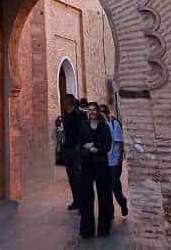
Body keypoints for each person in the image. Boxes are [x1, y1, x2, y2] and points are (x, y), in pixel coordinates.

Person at [77, 102, 114, 238]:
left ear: (97, 112)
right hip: (87, 165)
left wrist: (95, 147)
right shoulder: (83, 126)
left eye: (94, 110)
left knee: (104, 196)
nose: (92, 112)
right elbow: (80, 145)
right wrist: (86, 150)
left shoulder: (104, 126)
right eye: (90, 110)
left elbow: (108, 144)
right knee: (86, 197)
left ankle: (104, 228)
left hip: (101, 165)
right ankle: (87, 229)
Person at [100, 104, 128, 217]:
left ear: (106, 112)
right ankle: (110, 212)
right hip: (104, 162)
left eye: (102, 112)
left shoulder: (114, 123)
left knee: (114, 186)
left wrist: (120, 159)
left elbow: (120, 142)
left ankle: (122, 202)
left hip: (114, 161)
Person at [59, 93, 83, 210]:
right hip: (67, 149)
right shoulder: (65, 115)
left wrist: (78, 147)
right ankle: (76, 201)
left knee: (78, 177)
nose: (63, 102)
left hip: (75, 150)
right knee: (71, 177)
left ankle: (82, 202)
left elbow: (81, 132)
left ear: (69, 102)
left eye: (64, 100)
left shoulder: (77, 115)